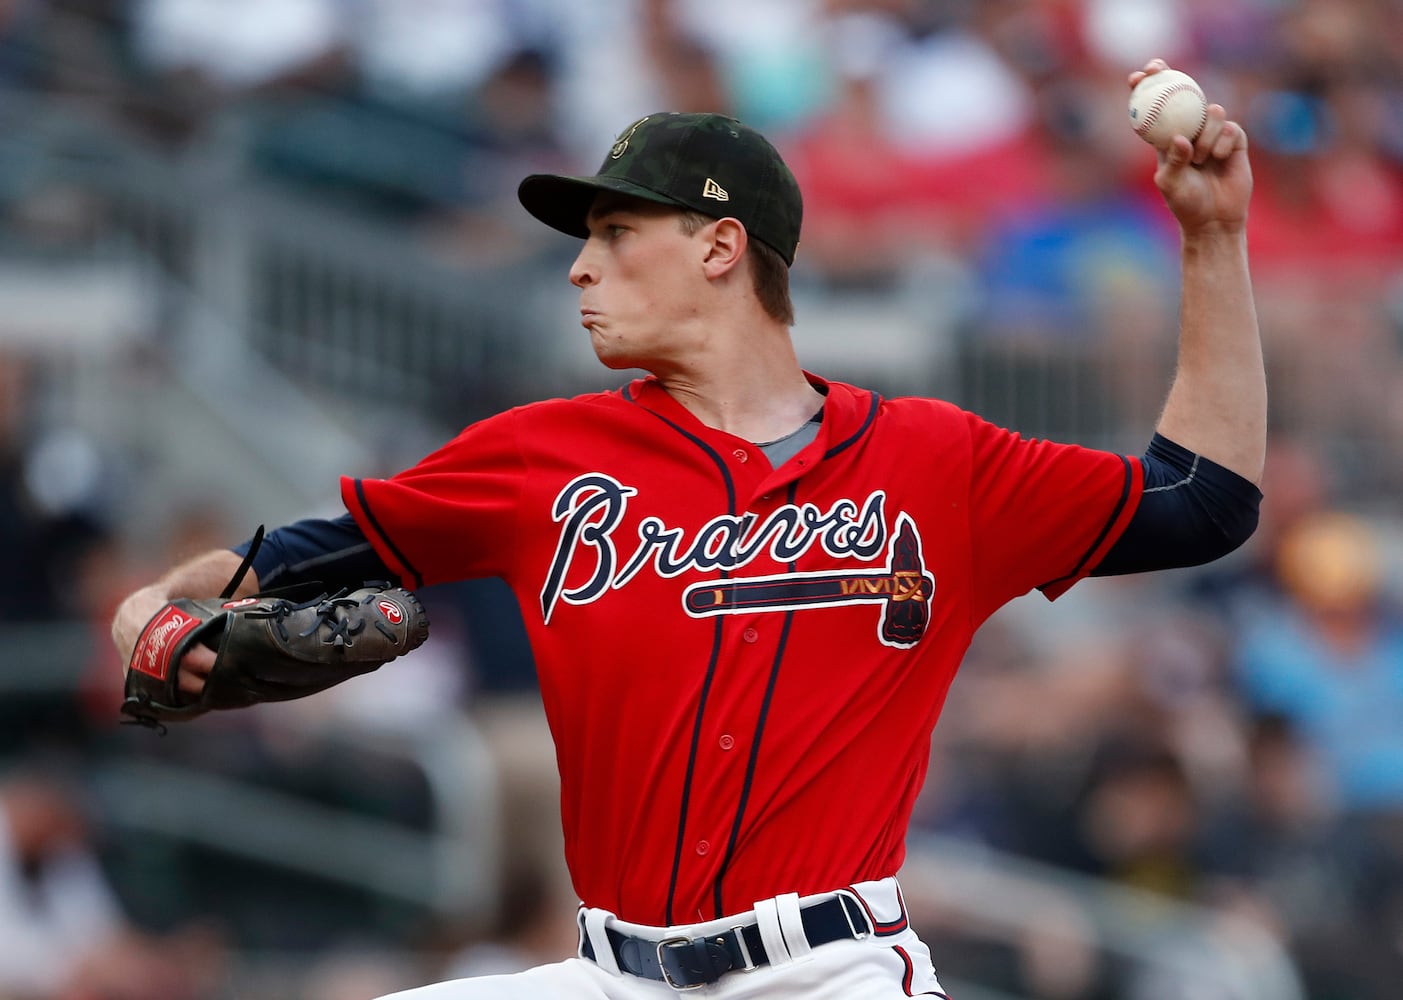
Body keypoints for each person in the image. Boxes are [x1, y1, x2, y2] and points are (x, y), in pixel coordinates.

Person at [110, 59, 1265, 999]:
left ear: (719, 246)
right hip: (609, 973)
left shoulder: (936, 462)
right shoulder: (539, 458)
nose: (577, 267)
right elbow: (282, 558)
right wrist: (151, 611)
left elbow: (1199, 499)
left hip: (828, 971)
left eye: (614, 232)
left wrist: (1211, 243)